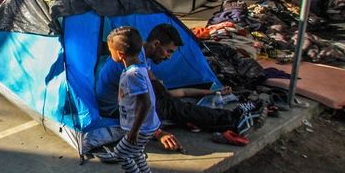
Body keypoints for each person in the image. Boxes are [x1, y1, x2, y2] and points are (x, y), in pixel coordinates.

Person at [96, 26, 260, 150]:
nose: (169, 56)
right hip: (115, 109)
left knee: (170, 99)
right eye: (169, 51)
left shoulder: (140, 57)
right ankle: (233, 119)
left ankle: (225, 117)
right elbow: (140, 104)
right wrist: (159, 133)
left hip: (128, 101)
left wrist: (213, 92)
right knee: (173, 107)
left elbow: (165, 91)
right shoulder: (132, 67)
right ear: (156, 44)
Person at [106, 26, 162, 173]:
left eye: (111, 51)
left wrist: (134, 130)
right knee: (136, 153)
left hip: (141, 127)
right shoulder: (140, 68)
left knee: (121, 154)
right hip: (145, 125)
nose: (110, 54)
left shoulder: (133, 74)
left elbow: (145, 103)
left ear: (120, 53)